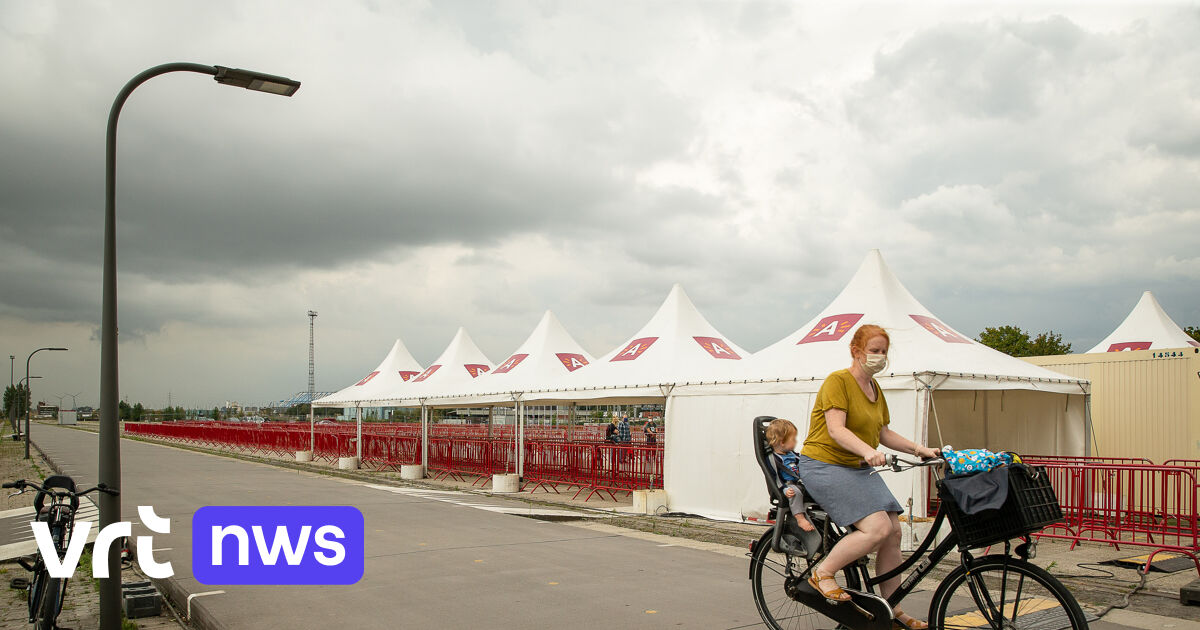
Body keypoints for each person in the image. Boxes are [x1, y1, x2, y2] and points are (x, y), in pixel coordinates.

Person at [796, 324, 939, 630]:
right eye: (874, 351)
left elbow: (883, 432)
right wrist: (867, 451)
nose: (880, 357)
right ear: (856, 351)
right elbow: (836, 429)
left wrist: (920, 449)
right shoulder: (838, 381)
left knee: (893, 531)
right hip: (824, 464)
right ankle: (822, 573)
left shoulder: (875, 389)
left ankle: (892, 609)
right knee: (875, 529)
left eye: (884, 351)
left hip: (856, 466)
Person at [764, 418, 814, 532]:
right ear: (782, 442)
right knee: (795, 493)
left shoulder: (791, 454)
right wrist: (784, 489)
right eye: (793, 439)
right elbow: (774, 477)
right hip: (787, 486)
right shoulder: (774, 459)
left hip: (799, 482)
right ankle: (800, 518)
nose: (796, 441)